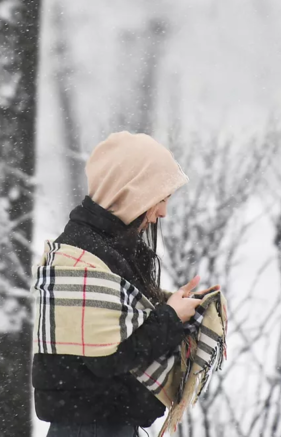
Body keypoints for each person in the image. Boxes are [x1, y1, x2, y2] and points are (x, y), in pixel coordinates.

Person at [32, 132, 220, 437]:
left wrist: (174, 306)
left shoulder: (108, 248)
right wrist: (170, 317)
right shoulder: (82, 259)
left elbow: (116, 339)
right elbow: (111, 357)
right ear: (133, 192)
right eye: (161, 199)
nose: (163, 212)